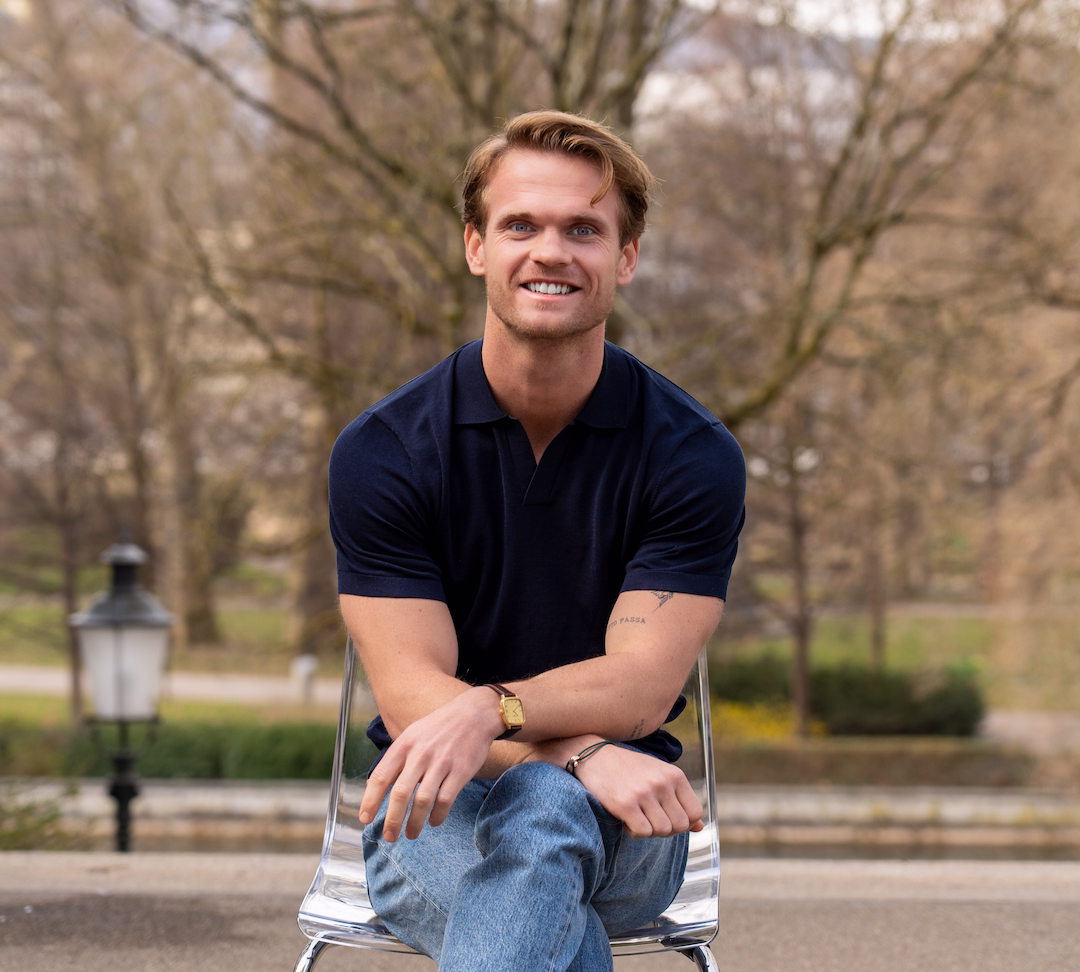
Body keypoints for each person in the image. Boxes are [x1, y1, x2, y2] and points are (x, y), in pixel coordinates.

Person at [327, 109, 745, 972]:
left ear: (624, 259)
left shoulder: (690, 454)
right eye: (521, 224)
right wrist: (576, 749)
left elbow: (636, 688)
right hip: (434, 815)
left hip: (631, 828)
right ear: (476, 245)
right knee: (542, 829)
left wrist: (485, 706)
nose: (551, 251)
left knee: (549, 816)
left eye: (583, 230)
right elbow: (412, 697)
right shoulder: (387, 451)